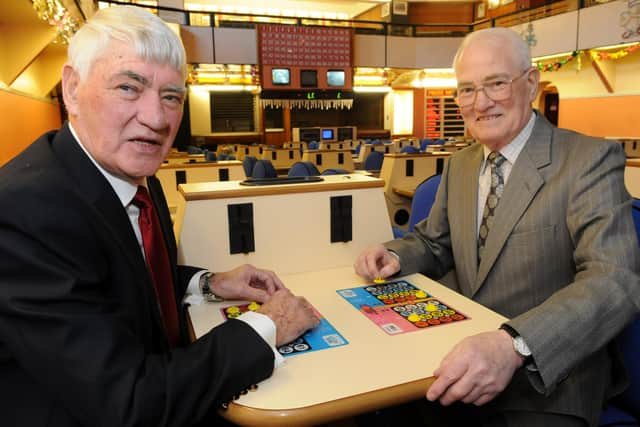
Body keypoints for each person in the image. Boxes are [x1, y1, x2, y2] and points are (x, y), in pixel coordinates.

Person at [0, 6, 319, 426]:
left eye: (171, 97)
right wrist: (267, 325)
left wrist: (207, 283)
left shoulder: (126, 172)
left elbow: (116, 277)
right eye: (129, 88)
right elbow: (131, 404)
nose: (155, 119)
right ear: (72, 89)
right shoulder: (26, 211)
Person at [355, 27, 640, 426]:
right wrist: (395, 255)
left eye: (496, 84)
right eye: (467, 89)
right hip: (459, 354)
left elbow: (615, 280)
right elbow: (435, 242)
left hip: (549, 378)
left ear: (531, 84)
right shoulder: (461, 164)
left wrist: (514, 345)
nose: (481, 103)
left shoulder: (587, 160)